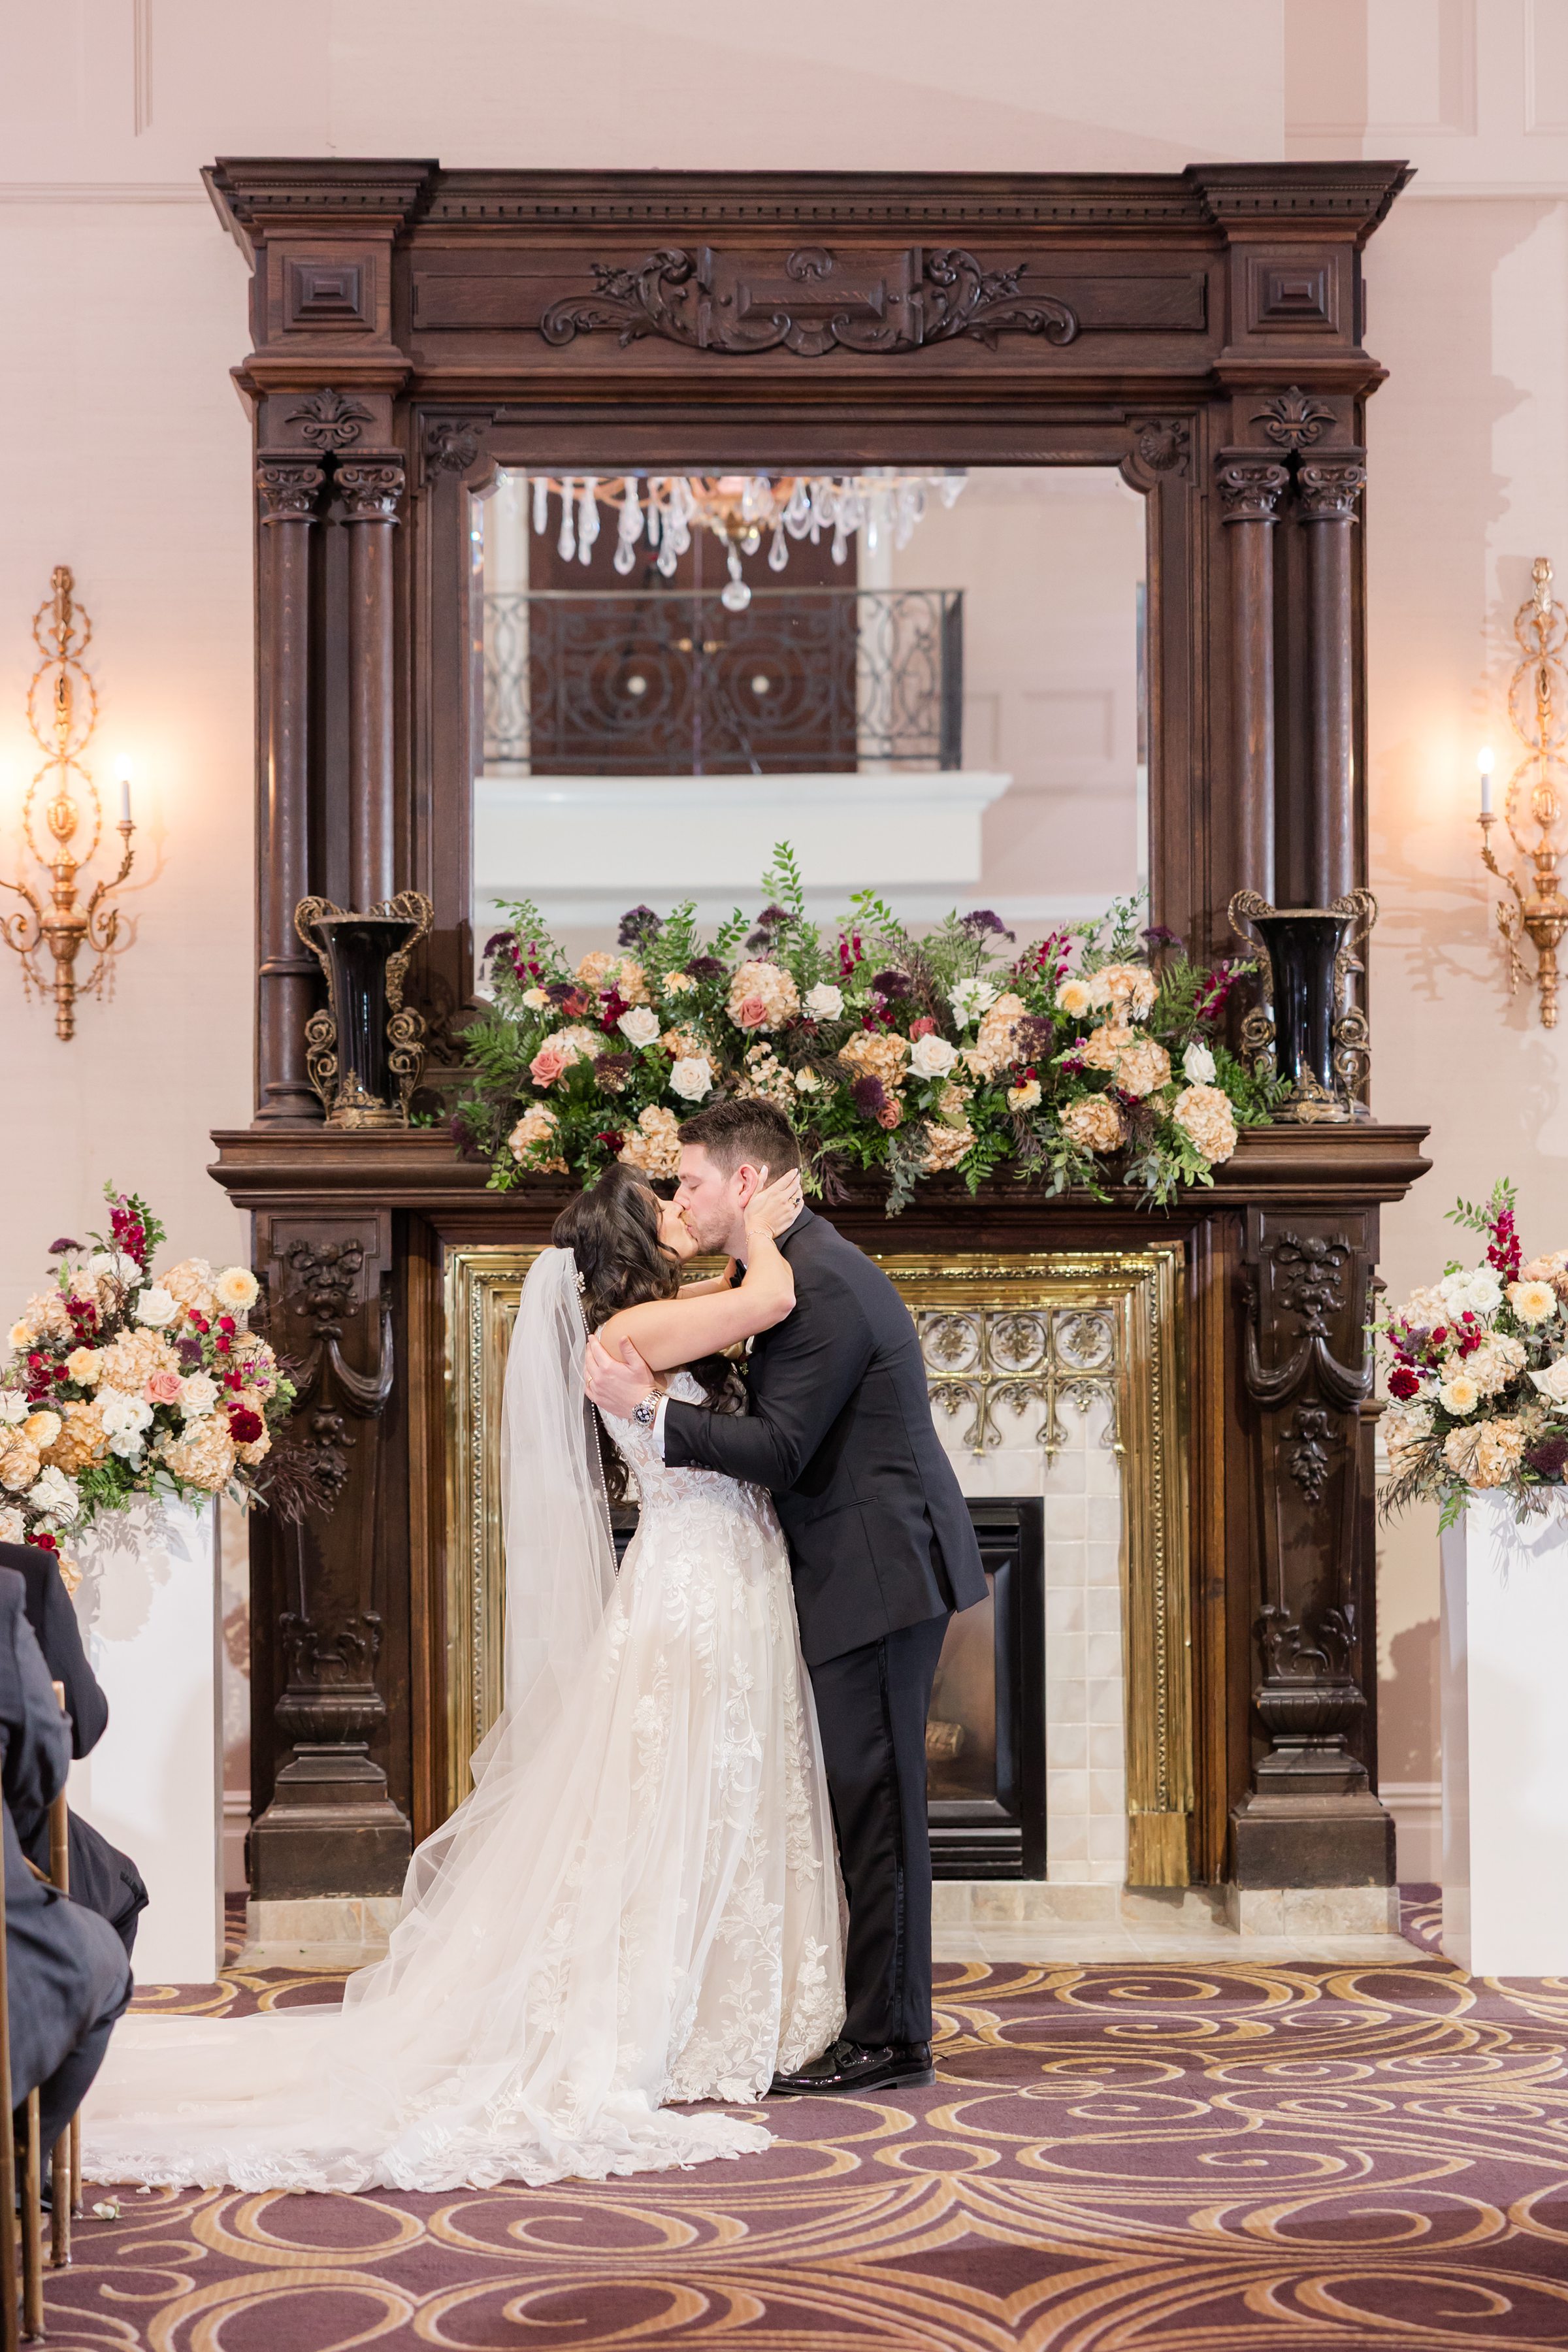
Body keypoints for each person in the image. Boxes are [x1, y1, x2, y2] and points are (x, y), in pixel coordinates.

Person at [80, 1162, 841, 2194]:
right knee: (678, 1785)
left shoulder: (654, 1318)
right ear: (630, 1240)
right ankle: (663, 2003)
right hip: (693, 1583)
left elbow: (741, 1307)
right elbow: (774, 1296)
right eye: (665, 1206)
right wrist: (761, 1222)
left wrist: (738, 1237)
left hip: (725, 1570)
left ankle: (718, 1990)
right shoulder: (627, 1339)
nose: (682, 1214)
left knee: (719, 1783)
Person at [585, 1100, 987, 2099]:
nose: (682, 1198)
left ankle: (893, 2040)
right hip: (850, 1568)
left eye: (691, 1182)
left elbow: (780, 1449)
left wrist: (644, 1415)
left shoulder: (818, 1284)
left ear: (745, 1184)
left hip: (879, 1573)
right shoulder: (782, 1271)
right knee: (863, 1803)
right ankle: (872, 2024)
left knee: (880, 1809)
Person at [0, 1569, 131, 2164]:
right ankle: (29, 2152)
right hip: (20, 1846)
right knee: (115, 1907)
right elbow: (61, 1751)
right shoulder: (18, 1581)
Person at [0, 1539, 148, 1959]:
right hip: (14, 1841)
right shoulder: (21, 1576)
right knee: (125, 1886)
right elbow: (79, 1732)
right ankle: (52, 2017)